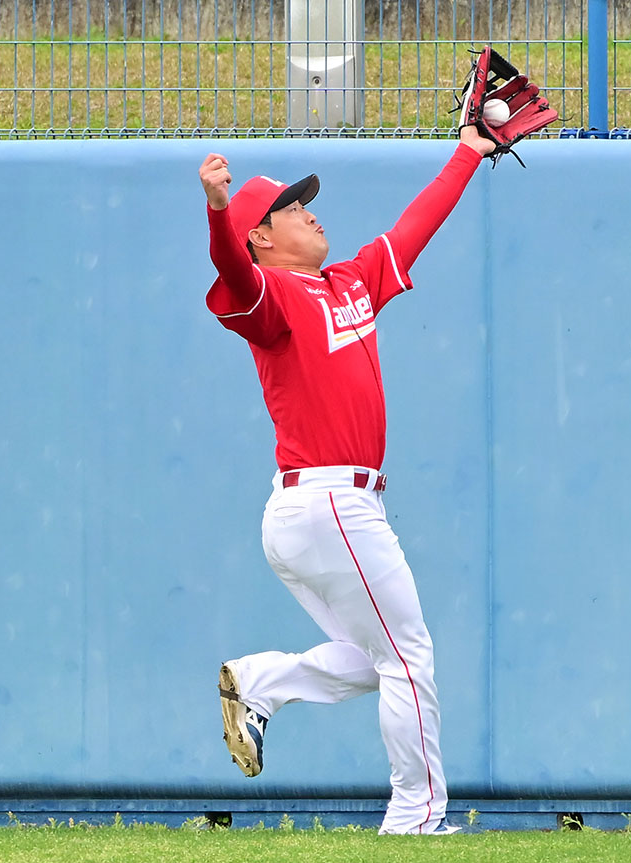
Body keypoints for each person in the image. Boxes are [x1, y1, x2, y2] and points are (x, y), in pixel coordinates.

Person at [198, 124, 496, 836]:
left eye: (305, 202)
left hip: (324, 510)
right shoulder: (269, 300)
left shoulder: (350, 283)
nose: (309, 211)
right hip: (330, 502)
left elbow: (413, 228)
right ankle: (415, 816)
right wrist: (217, 210)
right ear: (262, 238)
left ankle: (261, 682)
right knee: (409, 655)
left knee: (376, 659)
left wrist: (470, 151)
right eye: (291, 208)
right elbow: (233, 273)